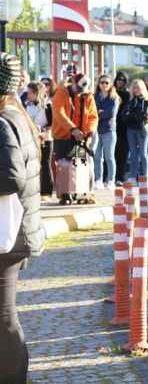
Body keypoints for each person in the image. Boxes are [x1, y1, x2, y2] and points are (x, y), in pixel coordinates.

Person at [0, 53, 45, 384]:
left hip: (7, 233)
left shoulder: (4, 121)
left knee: (4, 316)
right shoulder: (17, 116)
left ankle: (15, 378)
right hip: (15, 229)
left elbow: (11, 177)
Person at [52, 73, 99, 205]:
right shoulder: (61, 93)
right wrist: (72, 129)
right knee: (64, 166)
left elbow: (93, 117)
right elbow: (59, 113)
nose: (80, 93)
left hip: (80, 138)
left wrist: (90, 132)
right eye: (78, 89)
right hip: (62, 136)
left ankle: (83, 194)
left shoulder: (88, 96)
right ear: (73, 82)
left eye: (83, 91)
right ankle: (65, 195)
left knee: (82, 164)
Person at [25, 82, 53, 201]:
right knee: (32, 165)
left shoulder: (48, 105)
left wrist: (43, 131)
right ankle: (33, 191)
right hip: (32, 139)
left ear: (36, 93)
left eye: (30, 92)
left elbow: (52, 124)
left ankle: (46, 193)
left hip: (45, 139)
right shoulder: (27, 105)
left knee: (45, 164)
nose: (28, 94)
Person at [122, 79, 148, 182]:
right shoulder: (130, 100)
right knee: (133, 154)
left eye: (138, 88)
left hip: (142, 128)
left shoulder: (146, 101)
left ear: (142, 89)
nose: (135, 90)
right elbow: (123, 115)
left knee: (143, 153)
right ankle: (133, 176)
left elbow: (143, 116)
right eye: (134, 88)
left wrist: (131, 115)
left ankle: (145, 176)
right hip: (130, 129)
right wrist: (133, 115)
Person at [93, 75, 120, 190]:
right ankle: (98, 180)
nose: (104, 85)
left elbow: (111, 113)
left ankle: (111, 180)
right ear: (98, 84)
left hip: (109, 130)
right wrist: (100, 113)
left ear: (110, 85)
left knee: (109, 156)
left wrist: (99, 113)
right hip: (96, 130)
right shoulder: (95, 97)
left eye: (106, 83)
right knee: (97, 157)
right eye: (102, 82)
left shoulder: (114, 98)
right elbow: (92, 112)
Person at [114, 71, 131, 185]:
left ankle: (120, 176)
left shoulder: (127, 94)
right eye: (119, 79)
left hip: (123, 127)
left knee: (122, 153)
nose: (120, 82)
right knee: (111, 154)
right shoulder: (112, 92)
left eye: (123, 80)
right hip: (111, 126)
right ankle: (111, 177)